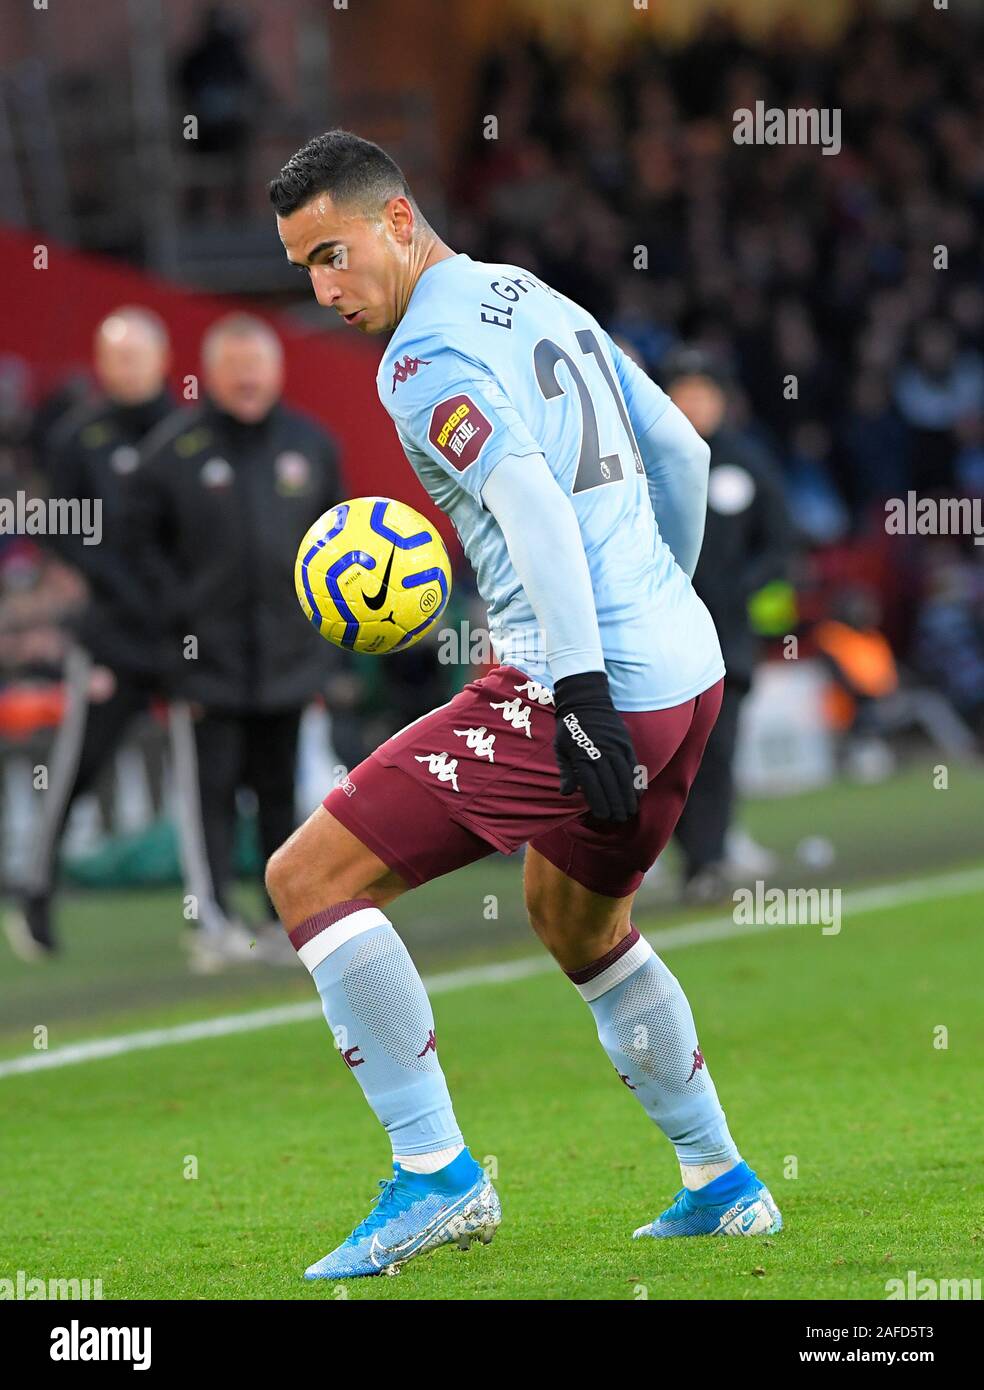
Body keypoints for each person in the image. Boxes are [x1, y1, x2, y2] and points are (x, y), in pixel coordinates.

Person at [265, 130, 782, 1280]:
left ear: (400, 220)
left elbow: (534, 506)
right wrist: (660, 621)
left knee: (307, 878)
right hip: (686, 673)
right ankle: (722, 1179)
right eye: (305, 266)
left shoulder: (420, 360)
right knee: (576, 921)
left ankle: (437, 1174)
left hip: (581, 683)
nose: (326, 288)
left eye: (336, 254)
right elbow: (683, 453)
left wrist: (588, 688)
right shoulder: (528, 294)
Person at [129, 314, 343, 972]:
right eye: (235, 365)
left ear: (277, 371)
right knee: (209, 799)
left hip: (287, 660)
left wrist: (326, 652)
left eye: (259, 363)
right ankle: (214, 920)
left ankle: (284, 920)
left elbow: (339, 545)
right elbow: (141, 557)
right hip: (205, 667)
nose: (248, 377)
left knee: (283, 798)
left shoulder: (311, 444)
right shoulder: (174, 453)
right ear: (211, 373)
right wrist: (175, 645)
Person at [3, 308, 175, 960]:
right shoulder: (81, 437)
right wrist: (111, 583)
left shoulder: (185, 433)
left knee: (209, 766)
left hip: (182, 634)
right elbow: (55, 524)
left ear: (161, 360)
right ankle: (36, 891)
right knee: (78, 766)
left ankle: (217, 908)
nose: (124, 369)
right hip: (110, 638)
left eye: (135, 356)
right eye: (114, 357)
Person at [662, 349, 792, 900]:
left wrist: (744, 587)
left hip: (729, 639)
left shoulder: (746, 462)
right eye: (682, 393)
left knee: (718, 747)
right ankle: (686, 854)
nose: (692, 404)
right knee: (669, 753)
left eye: (702, 393)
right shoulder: (649, 463)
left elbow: (781, 542)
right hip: (664, 637)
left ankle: (708, 861)